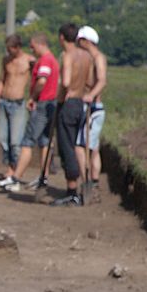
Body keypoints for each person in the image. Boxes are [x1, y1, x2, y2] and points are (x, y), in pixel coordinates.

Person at [2, 33, 60, 193]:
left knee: (27, 142)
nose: (31, 50)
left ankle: (16, 178)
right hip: (51, 104)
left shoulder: (46, 61)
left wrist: (33, 97)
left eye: (33, 46)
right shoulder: (52, 60)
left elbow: (42, 80)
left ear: (39, 44)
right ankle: (43, 177)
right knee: (44, 142)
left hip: (43, 104)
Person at [51, 23, 92, 207]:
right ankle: (80, 186)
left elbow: (66, 81)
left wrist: (59, 98)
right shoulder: (86, 56)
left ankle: (72, 191)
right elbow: (90, 81)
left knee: (66, 146)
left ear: (61, 37)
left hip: (68, 103)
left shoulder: (68, 56)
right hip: (81, 104)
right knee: (76, 144)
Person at [0, 34, 34, 189]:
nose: (9, 52)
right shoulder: (6, 60)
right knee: (4, 138)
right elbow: (2, 80)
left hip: (18, 103)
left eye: (11, 49)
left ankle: (16, 172)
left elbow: (35, 80)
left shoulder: (29, 61)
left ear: (17, 47)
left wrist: (32, 98)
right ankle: (10, 168)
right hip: (4, 101)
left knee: (16, 140)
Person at [75, 25, 108, 202]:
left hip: (93, 108)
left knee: (82, 147)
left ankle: (89, 183)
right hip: (87, 106)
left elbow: (102, 81)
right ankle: (92, 184)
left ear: (86, 41)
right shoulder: (88, 58)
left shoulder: (98, 58)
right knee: (93, 148)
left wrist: (90, 95)